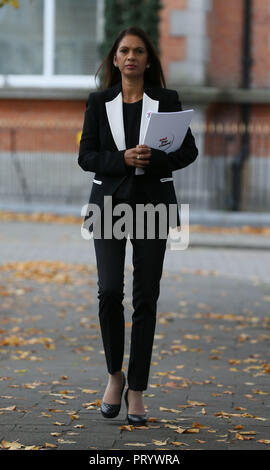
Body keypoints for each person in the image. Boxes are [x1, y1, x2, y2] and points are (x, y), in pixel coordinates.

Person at [78, 26, 198, 426]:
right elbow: (87, 156)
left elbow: (188, 151)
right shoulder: (99, 102)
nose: (131, 57)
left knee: (146, 298)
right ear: (115, 58)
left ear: (149, 60)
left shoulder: (167, 100)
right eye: (124, 51)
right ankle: (115, 375)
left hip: (154, 205)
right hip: (108, 206)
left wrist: (154, 160)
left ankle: (138, 390)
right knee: (110, 291)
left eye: (139, 51)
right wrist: (123, 159)